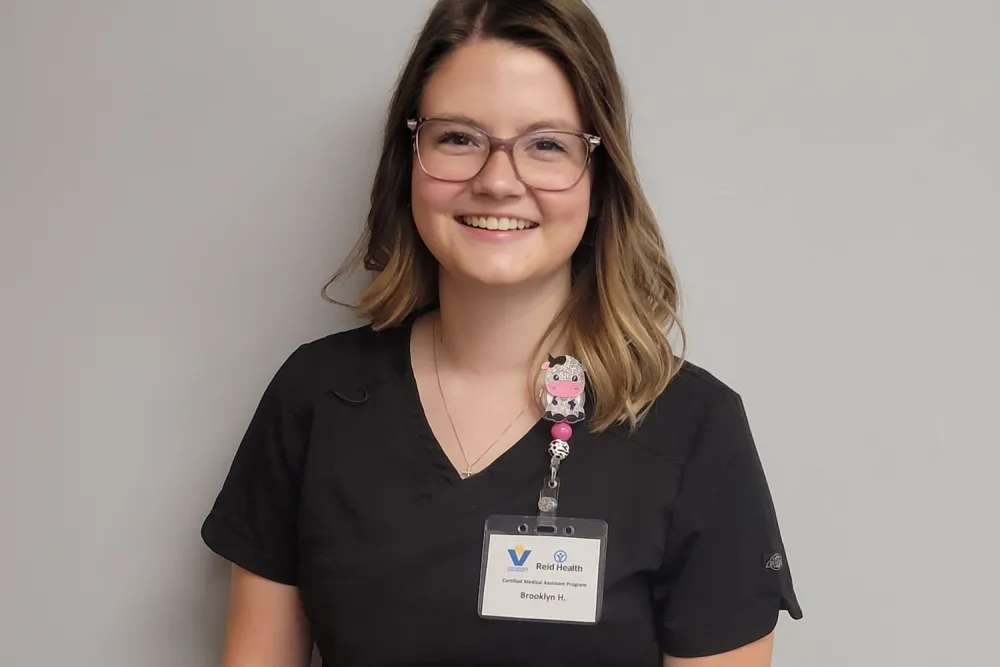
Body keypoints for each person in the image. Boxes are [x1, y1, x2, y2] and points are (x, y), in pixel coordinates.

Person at [200, 0, 803, 665]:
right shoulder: (316, 399)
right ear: (411, 160)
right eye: (457, 137)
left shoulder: (693, 430)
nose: (496, 181)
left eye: (546, 145)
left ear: (598, 177)